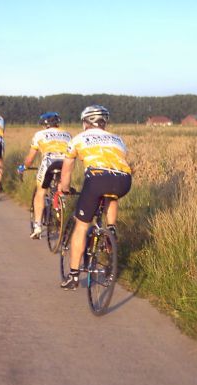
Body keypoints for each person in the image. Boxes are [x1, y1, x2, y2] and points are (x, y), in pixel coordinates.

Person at [58, 105, 132, 290]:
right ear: (104, 122)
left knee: (82, 226)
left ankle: (73, 277)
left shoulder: (78, 139)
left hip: (97, 179)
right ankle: (111, 230)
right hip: (124, 180)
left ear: (86, 122)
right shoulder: (118, 139)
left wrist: (64, 188)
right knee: (111, 196)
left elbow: (67, 169)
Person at [18, 112, 72, 239]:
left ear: (45, 124)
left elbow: (30, 158)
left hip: (49, 161)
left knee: (40, 192)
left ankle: (37, 227)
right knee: (60, 188)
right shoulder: (68, 134)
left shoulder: (39, 134)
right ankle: (60, 209)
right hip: (65, 162)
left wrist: (23, 167)